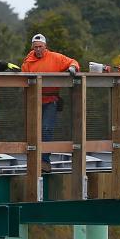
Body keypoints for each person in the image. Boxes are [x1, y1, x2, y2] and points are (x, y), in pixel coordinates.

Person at [21, 34, 79, 170]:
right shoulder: (28, 61)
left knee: (47, 129)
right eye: (36, 47)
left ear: (45, 46)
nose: (38, 49)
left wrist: (73, 68)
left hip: (51, 99)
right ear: (32, 47)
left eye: (41, 47)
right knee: (33, 130)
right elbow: (23, 80)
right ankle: (33, 161)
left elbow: (73, 62)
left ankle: (45, 161)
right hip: (33, 100)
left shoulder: (56, 57)